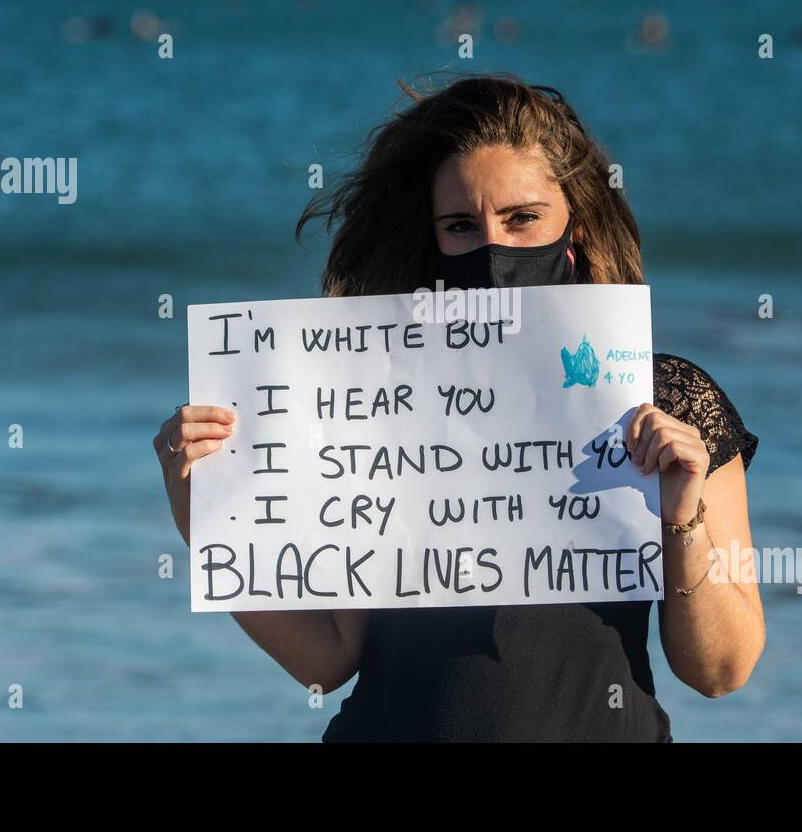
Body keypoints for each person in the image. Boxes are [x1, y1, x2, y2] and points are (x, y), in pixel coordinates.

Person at [153, 74, 764, 741]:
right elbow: (325, 661)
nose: (492, 248)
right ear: (434, 238)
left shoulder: (665, 402)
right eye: (462, 226)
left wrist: (684, 520)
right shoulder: (373, 396)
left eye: (522, 217)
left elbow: (722, 669)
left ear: (576, 225)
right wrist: (204, 515)